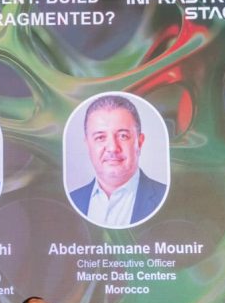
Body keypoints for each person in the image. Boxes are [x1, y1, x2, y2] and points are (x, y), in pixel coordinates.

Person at [69, 94, 166, 227]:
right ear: (87, 144)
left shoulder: (167, 198)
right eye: (100, 137)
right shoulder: (71, 200)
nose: (113, 148)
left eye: (123, 136)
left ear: (139, 142)